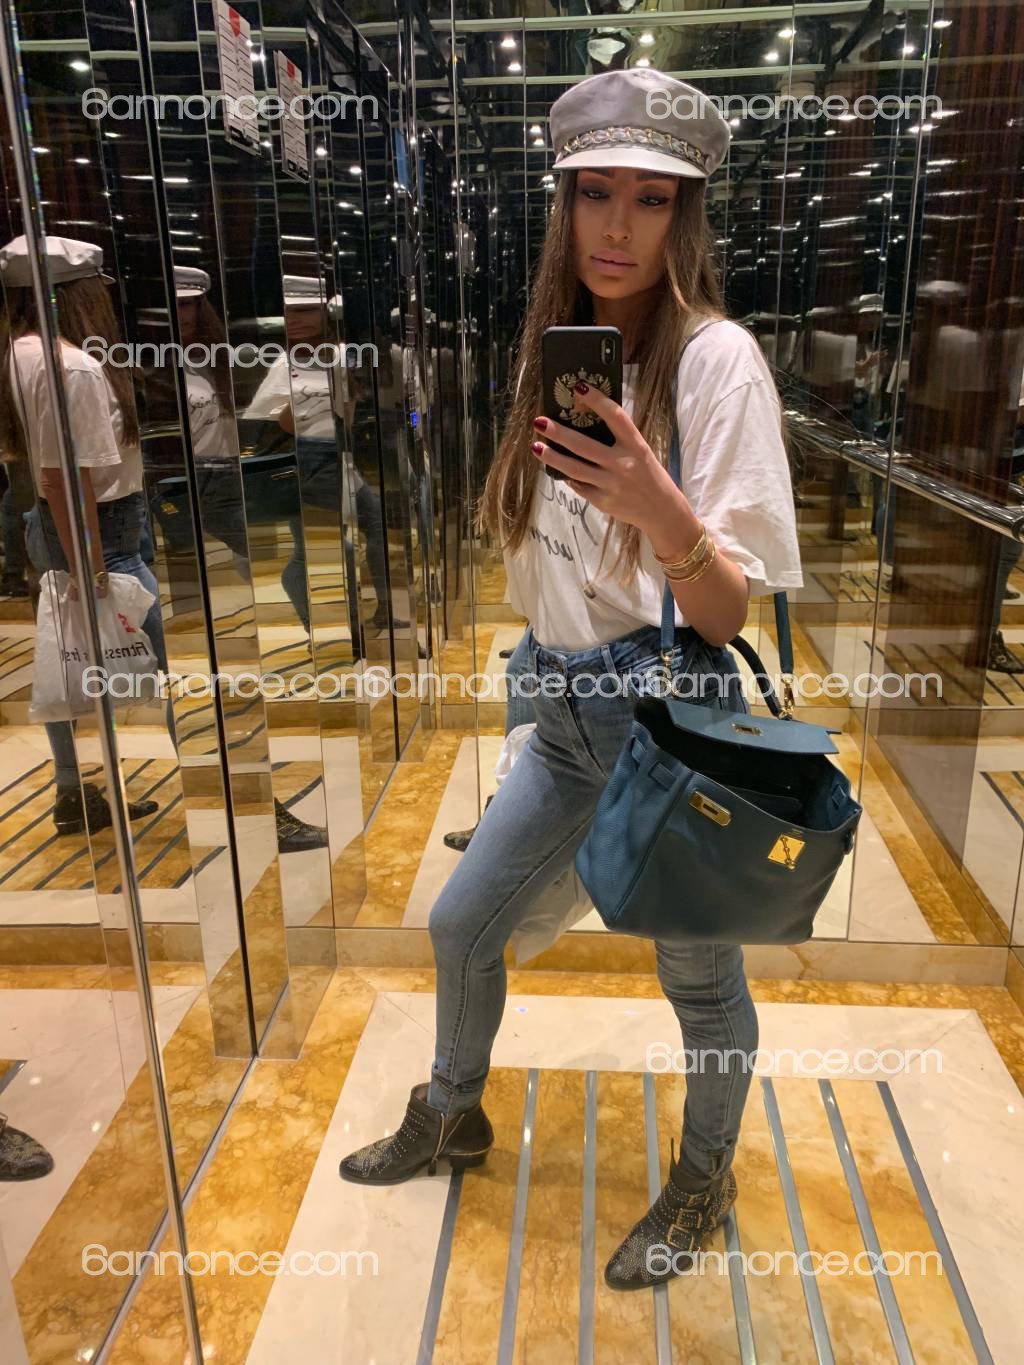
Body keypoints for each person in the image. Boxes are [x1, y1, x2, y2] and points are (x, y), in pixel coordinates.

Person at [338, 70, 803, 1293]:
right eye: (595, 193)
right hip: (558, 711)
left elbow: (725, 613)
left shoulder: (716, 361)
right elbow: (543, 563)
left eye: (651, 200)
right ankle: (453, 1111)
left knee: (697, 977)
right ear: (563, 203)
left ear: (683, 215)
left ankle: (704, 1176)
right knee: (462, 927)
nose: (617, 226)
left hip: (666, 718)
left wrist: (660, 506)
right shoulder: (557, 352)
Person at [0, 234, 168, 835]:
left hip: (57, 528)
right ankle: (236, 796)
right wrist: (92, 564)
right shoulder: (72, 366)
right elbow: (62, 478)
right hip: (100, 533)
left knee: (65, 656)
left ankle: (72, 791)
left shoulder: (18, 353)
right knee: (159, 663)